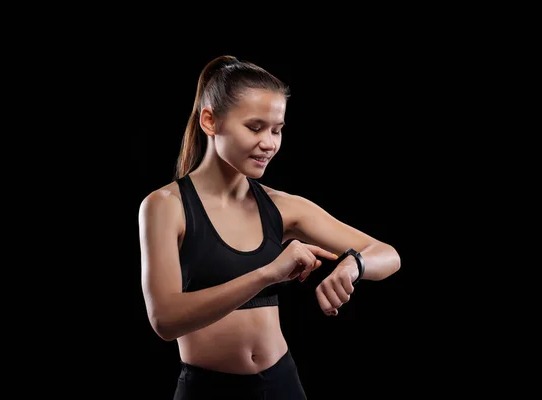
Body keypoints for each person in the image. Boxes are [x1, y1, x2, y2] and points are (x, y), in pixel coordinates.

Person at [138, 55, 401, 399]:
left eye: (277, 130)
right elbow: (165, 320)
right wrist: (268, 273)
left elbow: (388, 255)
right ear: (209, 121)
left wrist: (354, 264)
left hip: (281, 385)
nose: (270, 143)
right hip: (206, 390)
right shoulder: (166, 206)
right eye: (255, 127)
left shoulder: (282, 206)